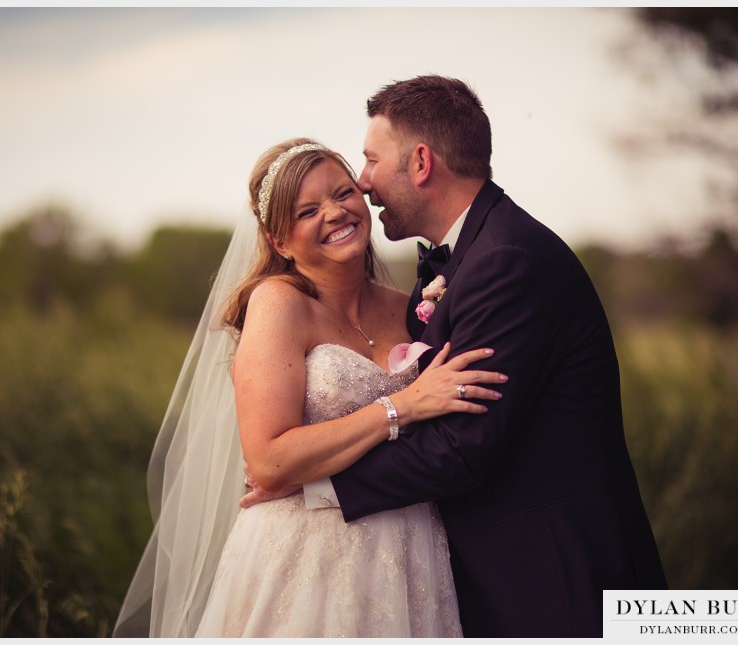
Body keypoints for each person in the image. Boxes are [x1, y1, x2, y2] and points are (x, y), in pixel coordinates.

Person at [246, 75, 669, 637]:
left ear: (420, 163)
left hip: (552, 576)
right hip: (418, 565)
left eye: (369, 163)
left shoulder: (505, 260)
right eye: (308, 209)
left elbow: (460, 449)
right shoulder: (467, 258)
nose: (363, 183)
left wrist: (312, 484)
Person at [112, 138, 507, 637]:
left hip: (413, 551)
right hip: (309, 557)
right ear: (280, 242)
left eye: (343, 193)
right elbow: (270, 462)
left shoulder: (407, 309)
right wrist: (402, 406)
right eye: (308, 210)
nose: (336, 212)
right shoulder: (279, 304)